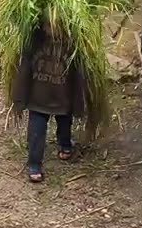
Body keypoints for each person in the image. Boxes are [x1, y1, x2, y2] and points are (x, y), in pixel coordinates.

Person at [10, 20, 86, 183]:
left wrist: (78, 103)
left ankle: (65, 146)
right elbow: (23, 71)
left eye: (57, 24)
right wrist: (20, 99)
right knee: (36, 133)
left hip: (63, 97)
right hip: (38, 99)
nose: (53, 29)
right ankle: (34, 164)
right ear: (41, 25)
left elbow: (78, 76)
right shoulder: (33, 42)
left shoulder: (72, 43)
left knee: (65, 123)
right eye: (48, 24)